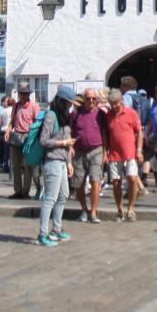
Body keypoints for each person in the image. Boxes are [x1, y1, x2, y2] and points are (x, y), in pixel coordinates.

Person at [36, 86, 76, 246]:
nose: (70, 106)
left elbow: (69, 143)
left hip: (62, 162)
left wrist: (69, 162)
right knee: (50, 198)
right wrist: (63, 142)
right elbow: (43, 140)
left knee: (63, 195)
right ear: (61, 101)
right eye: (68, 103)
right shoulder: (51, 115)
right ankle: (42, 234)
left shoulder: (64, 117)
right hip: (52, 161)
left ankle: (56, 229)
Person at [104, 88, 144, 222]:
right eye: (111, 104)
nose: (114, 106)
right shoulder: (108, 115)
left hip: (130, 153)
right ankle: (120, 209)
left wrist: (139, 150)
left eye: (116, 103)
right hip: (114, 154)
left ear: (121, 101)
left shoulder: (131, 113)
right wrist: (105, 152)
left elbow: (139, 132)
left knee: (132, 178)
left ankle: (131, 209)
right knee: (116, 182)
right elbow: (106, 136)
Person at [71, 88, 107, 223]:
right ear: (84, 99)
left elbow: (105, 134)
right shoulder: (76, 114)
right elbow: (71, 132)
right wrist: (71, 148)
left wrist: (105, 152)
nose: (91, 101)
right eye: (88, 98)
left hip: (96, 150)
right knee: (78, 183)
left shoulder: (101, 114)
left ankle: (93, 212)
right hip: (79, 152)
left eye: (93, 98)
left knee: (95, 180)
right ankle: (84, 210)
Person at [6, 80, 39, 199]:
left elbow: (37, 123)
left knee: (27, 166)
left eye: (26, 93)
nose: (24, 96)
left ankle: (25, 191)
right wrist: (8, 131)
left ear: (29, 94)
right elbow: (12, 122)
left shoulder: (34, 106)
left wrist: (33, 138)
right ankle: (18, 190)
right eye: (22, 93)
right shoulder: (15, 106)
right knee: (15, 166)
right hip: (16, 136)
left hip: (28, 137)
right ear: (19, 94)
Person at [0, 94, 13, 173]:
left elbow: (0, 121)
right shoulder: (1, 108)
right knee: (3, 150)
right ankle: (2, 166)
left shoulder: (4, 110)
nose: (7, 103)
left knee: (2, 149)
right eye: (6, 101)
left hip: (2, 130)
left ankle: (2, 166)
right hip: (4, 131)